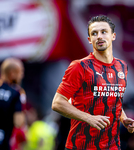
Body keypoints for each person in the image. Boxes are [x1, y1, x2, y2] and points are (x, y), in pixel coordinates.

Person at [52, 15, 134, 150]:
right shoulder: (79, 66)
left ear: (113, 36)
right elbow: (57, 103)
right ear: (90, 40)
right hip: (82, 146)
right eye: (94, 33)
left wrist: (123, 119)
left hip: (112, 146)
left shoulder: (122, 66)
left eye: (104, 32)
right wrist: (89, 118)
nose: (99, 36)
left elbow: (115, 99)